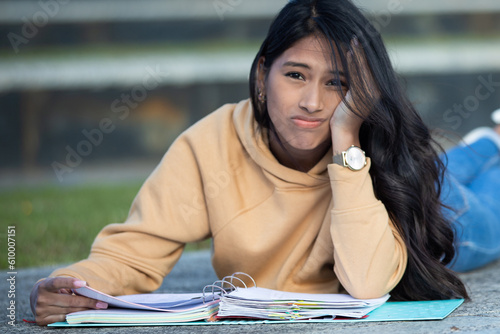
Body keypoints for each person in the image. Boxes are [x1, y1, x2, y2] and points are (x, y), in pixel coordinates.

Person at [30, 0, 500, 325]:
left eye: (337, 83)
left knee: (478, 202)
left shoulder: (370, 143)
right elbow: (135, 247)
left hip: (429, 216)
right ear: (262, 75)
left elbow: (368, 282)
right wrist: (75, 285)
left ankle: (492, 141)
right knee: (456, 166)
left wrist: (345, 140)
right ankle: (491, 136)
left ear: (361, 91)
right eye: (296, 75)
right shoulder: (212, 143)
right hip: (414, 175)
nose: (313, 102)